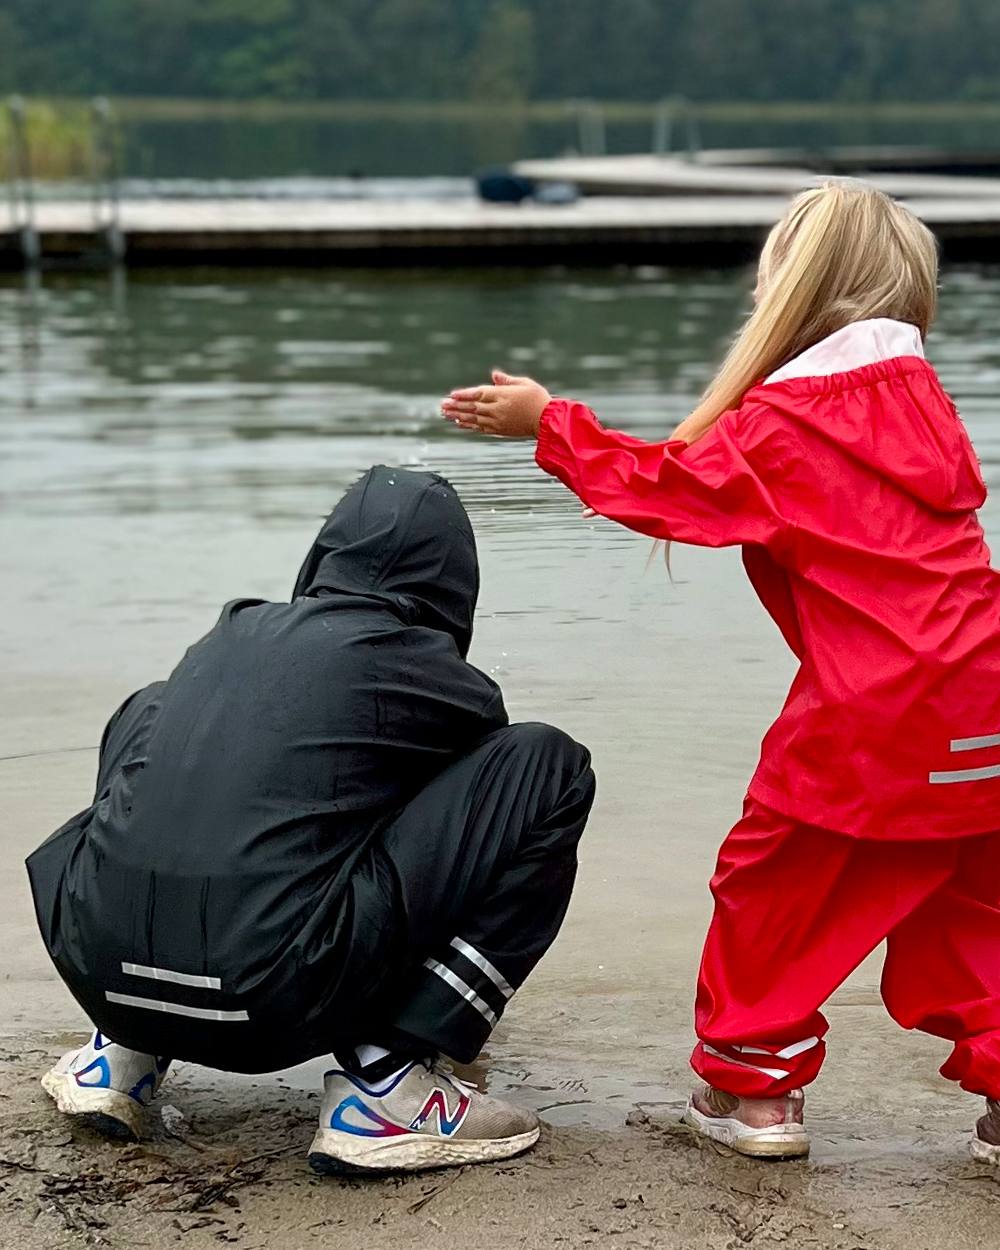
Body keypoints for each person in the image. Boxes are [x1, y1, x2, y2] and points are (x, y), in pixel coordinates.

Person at [442, 181, 1000, 1165]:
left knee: (771, 883)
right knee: (973, 908)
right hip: (985, 699)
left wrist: (548, 422)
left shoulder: (788, 424)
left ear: (789, 286)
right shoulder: (927, 408)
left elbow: (663, 489)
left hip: (876, 709)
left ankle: (755, 1093)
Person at [27, 466, 595, 1175]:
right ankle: (387, 1082)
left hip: (97, 968)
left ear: (324, 555)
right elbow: (468, 822)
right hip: (272, 1003)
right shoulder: (434, 671)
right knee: (546, 765)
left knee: (154, 714)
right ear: (453, 582)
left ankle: (119, 1054)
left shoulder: (229, 635)